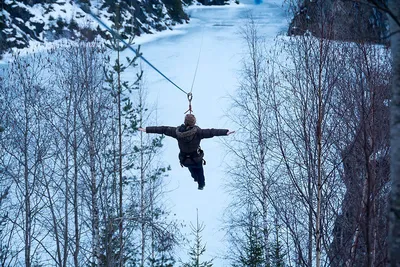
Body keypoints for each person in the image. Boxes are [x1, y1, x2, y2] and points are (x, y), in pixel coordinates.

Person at [138, 114, 235, 190]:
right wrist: (225, 132)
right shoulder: (198, 133)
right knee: (200, 172)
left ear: (185, 122)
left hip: (185, 160)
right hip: (196, 159)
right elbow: (212, 132)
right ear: (193, 123)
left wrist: (146, 129)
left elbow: (163, 129)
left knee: (192, 171)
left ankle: (195, 178)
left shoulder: (176, 132)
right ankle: (201, 184)